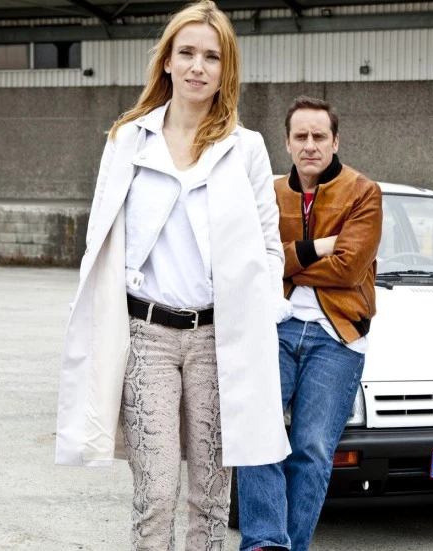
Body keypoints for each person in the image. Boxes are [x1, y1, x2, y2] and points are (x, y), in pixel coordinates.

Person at [54, 2, 291, 549]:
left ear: (226, 69)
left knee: (211, 499)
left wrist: (265, 313)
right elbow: (99, 239)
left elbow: (267, 244)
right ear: (166, 61)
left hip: (219, 340)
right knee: (156, 494)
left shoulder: (246, 148)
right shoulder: (128, 140)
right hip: (147, 338)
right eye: (186, 53)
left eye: (212, 56)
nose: (197, 67)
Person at [237, 96, 383, 551]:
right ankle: (265, 543)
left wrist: (283, 263)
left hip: (337, 335)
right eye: (300, 136)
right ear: (287, 142)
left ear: (335, 141)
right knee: (256, 434)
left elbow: (349, 268)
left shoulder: (363, 192)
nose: (310, 144)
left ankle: (291, 545)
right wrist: (318, 247)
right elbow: (252, 259)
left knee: (313, 448)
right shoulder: (270, 192)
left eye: (320, 136)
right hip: (274, 328)